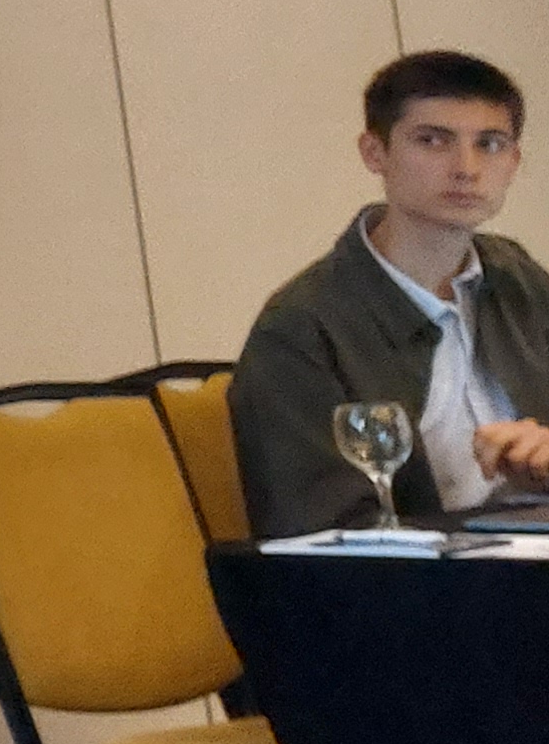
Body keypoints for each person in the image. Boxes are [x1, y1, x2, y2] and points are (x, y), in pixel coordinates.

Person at [232, 49, 549, 535]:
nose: (466, 168)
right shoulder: (302, 327)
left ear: (514, 161)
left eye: (489, 144)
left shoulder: (520, 281)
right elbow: (321, 531)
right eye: (432, 140)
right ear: (374, 152)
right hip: (427, 573)